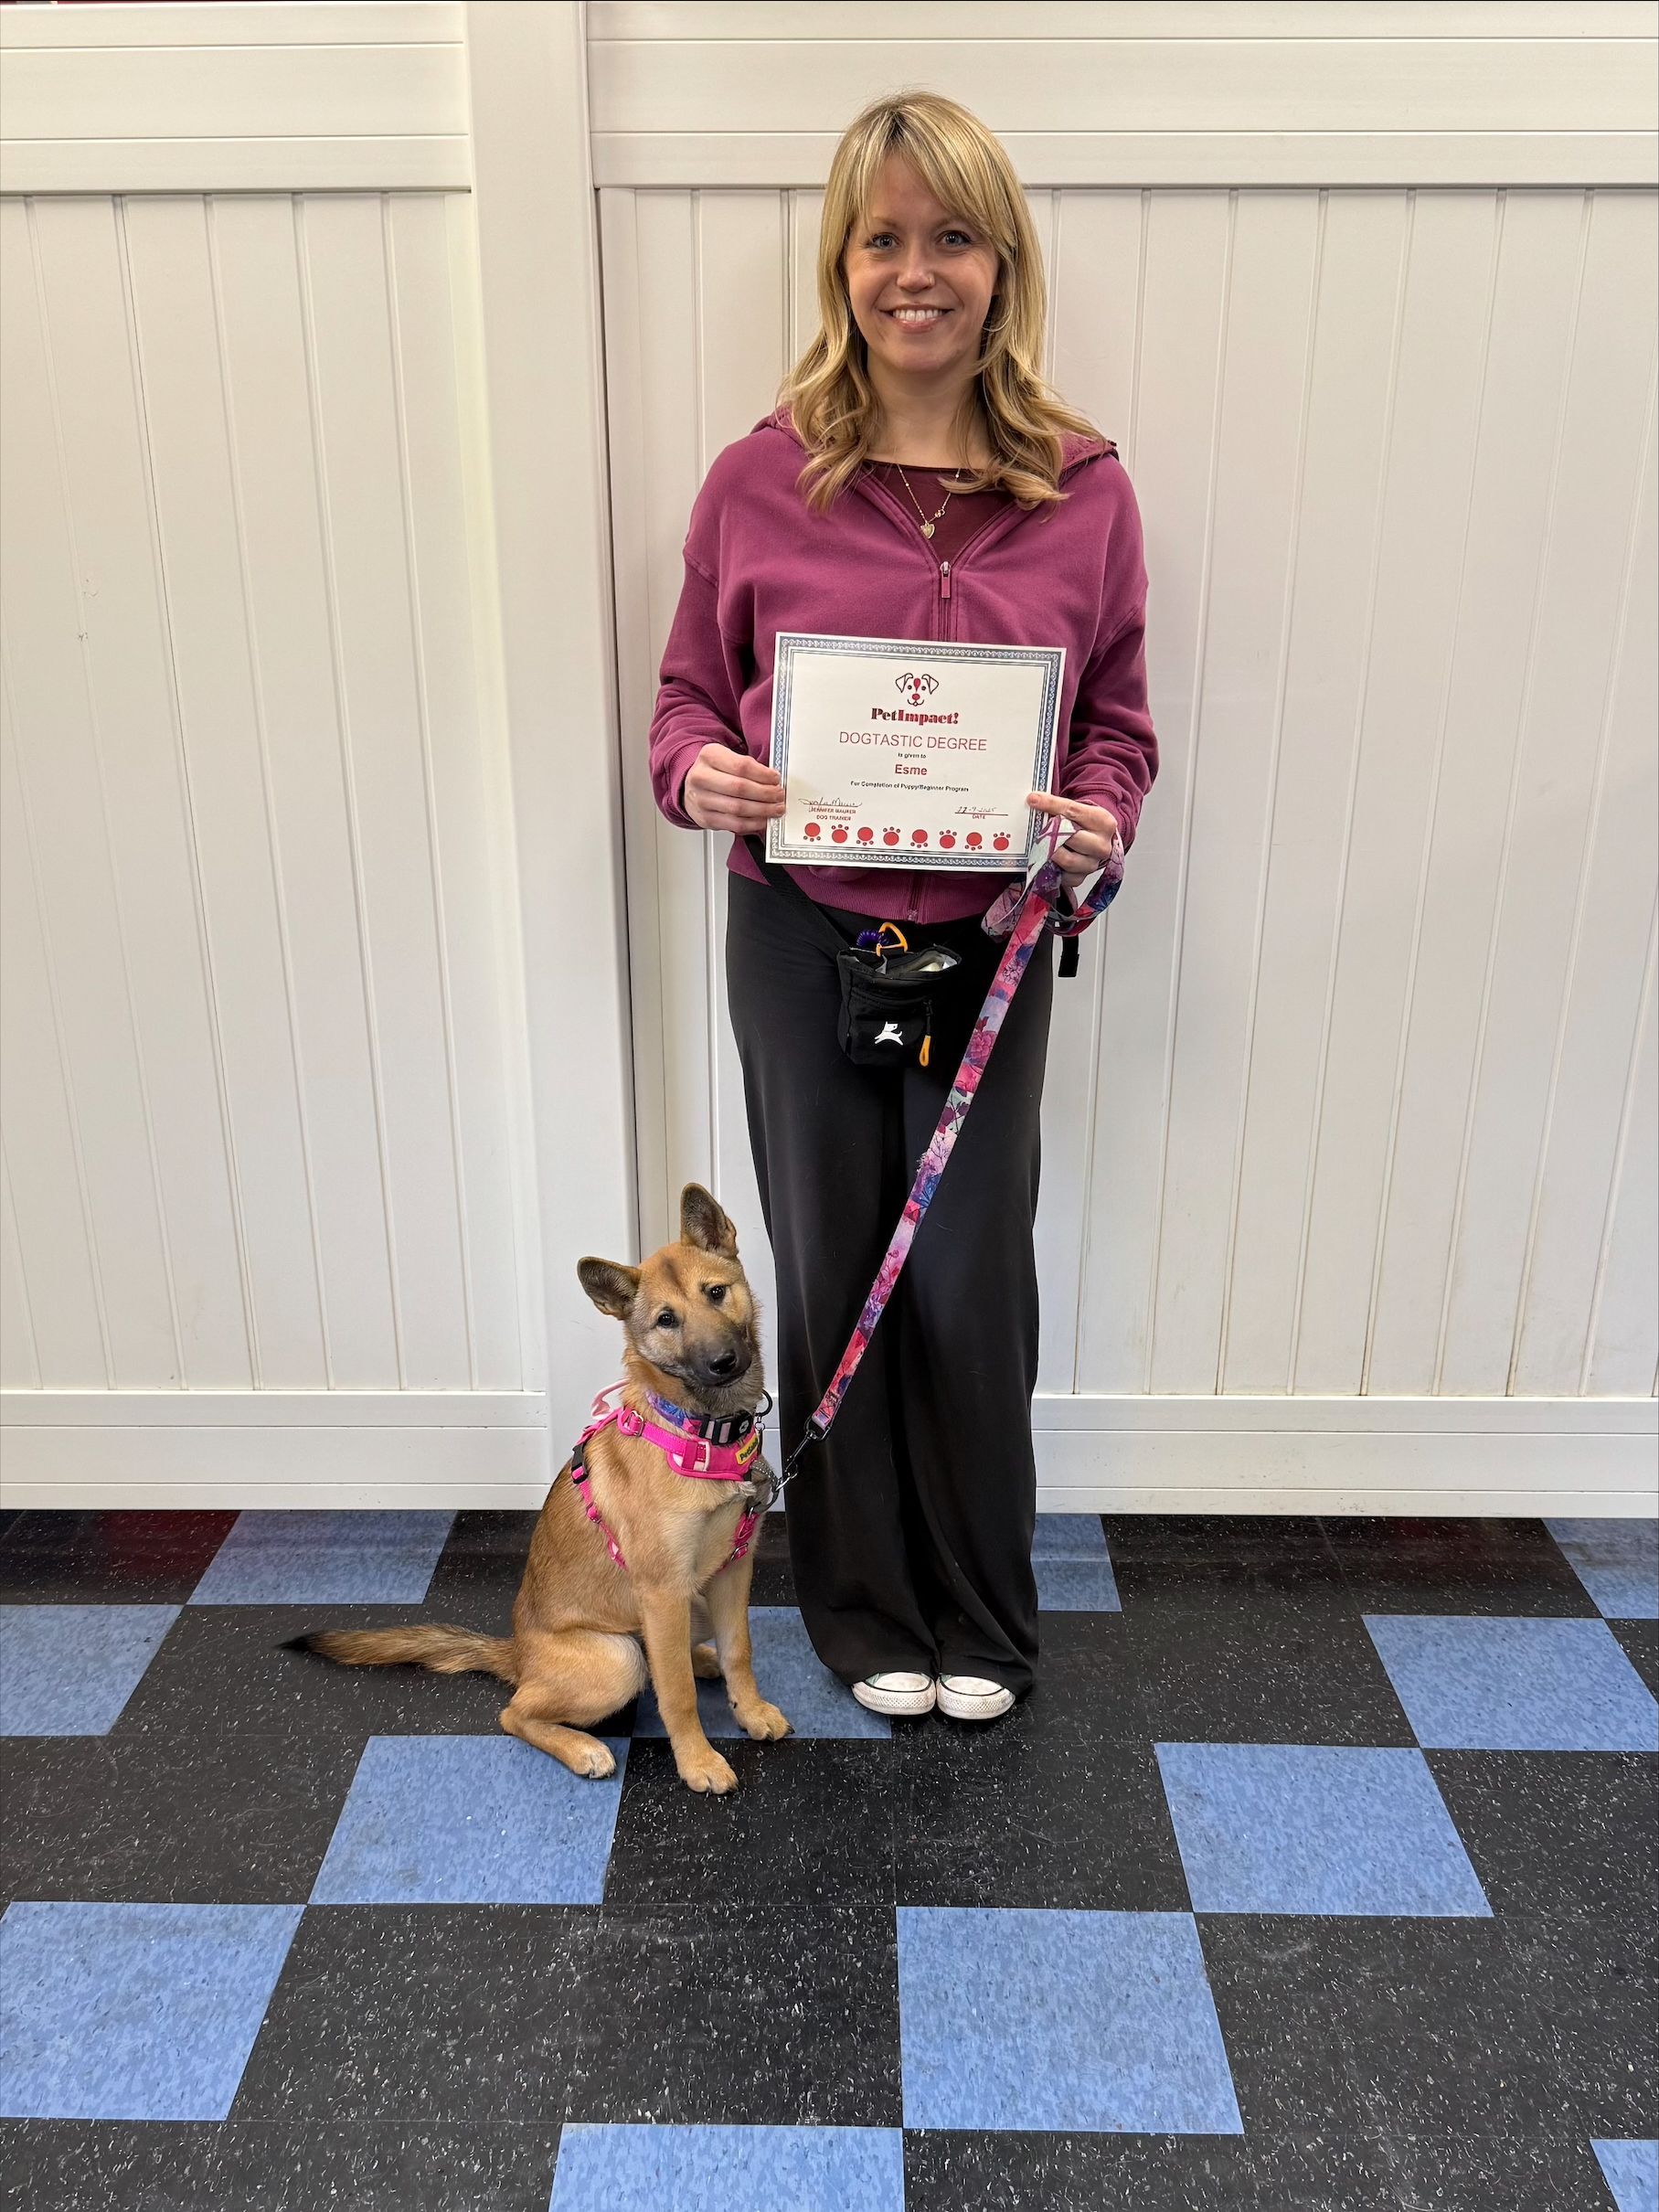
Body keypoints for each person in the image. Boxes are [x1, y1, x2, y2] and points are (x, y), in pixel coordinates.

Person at [646, 91, 1157, 1722]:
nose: (914, 272)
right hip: (801, 939)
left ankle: (984, 1619)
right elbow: (681, 708)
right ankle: (864, 1616)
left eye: (951, 237)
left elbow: (1120, 729)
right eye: (883, 239)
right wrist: (701, 777)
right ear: (840, 266)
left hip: (991, 948)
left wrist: (1099, 823)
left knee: (965, 1279)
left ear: (1001, 265)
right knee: (834, 1256)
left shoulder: (1084, 489)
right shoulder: (758, 479)